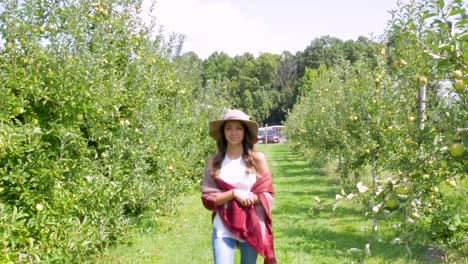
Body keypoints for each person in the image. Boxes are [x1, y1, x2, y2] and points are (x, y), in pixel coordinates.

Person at [201, 109, 277, 264]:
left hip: (251, 225)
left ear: (245, 132)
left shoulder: (257, 158)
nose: (233, 132)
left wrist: (249, 198)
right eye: (228, 128)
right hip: (223, 226)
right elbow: (207, 198)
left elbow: (267, 194)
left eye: (238, 128)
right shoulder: (214, 161)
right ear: (223, 132)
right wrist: (234, 193)